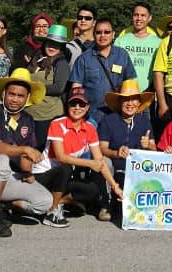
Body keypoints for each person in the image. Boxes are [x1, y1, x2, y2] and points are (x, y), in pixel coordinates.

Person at [0, 68, 51, 238]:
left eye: (20, 96)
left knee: (45, 202)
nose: (15, 99)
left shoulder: (28, 119)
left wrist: (28, 170)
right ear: (4, 94)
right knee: (1, 160)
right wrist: (25, 149)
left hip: (11, 177)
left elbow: (26, 156)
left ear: (27, 98)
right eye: (11, 94)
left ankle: (7, 205)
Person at [36, 87, 123, 225]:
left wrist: (115, 186)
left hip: (63, 179)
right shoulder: (57, 124)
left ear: (87, 107)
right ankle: (52, 212)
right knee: (65, 168)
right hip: (44, 174)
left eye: (82, 104)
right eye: (73, 104)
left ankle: (57, 202)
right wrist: (90, 163)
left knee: (93, 190)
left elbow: (99, 160)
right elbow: (61, 157)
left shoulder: (90, 128)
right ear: (67, 106)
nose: (77, 108)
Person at [97, 80, 156, 221]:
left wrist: (148, 145)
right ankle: (106, 204)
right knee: (103, 161)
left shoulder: (144, 122)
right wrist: (116, 153)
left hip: (136, 170)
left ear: (139, 103)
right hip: (114, 168)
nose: (130, 103)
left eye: (134, 99)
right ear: (119, 102)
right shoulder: (108, 120)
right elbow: (101, 148)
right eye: (126, 99)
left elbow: (154, 149)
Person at [70, 17, 137, 121]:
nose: (102, 35)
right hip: (92, 116)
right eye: (98, 32)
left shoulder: (122, 55)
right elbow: (76, 87)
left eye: (107, 32)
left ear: (113, 34)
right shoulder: (83, 58)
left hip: (118, 114)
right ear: (94, 35)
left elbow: (130, 82)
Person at [22, 22, 72, 147]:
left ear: (61, 47)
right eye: (50, 43)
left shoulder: (61, 63)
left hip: (48, 116)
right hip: (29, 113)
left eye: (56, 44)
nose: (52, 47)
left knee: (41, 150)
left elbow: (59, 88)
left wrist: (34, 88)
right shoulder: (36, 59)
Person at [114, 3, 163, 92]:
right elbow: (115, 68)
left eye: (143, 15)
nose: (139, 18)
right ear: (132, 17)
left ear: (149, 18)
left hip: (149, 93)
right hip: (125, 92)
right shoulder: (120, 41)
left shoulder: (158, 43)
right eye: (136, 15)